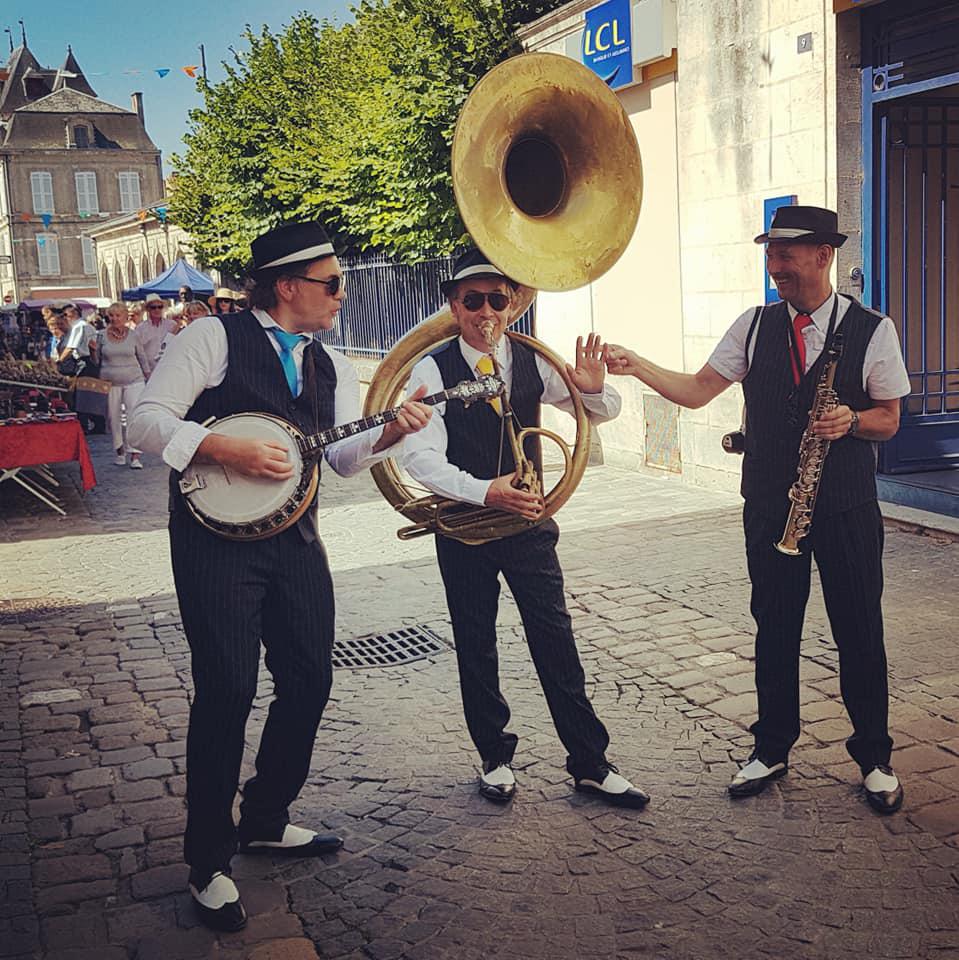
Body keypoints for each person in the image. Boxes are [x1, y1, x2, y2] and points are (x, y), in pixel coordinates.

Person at [128, 221, 432, 932]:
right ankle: (207, 862)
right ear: (288, 286)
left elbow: (345, 459)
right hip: (214, 545)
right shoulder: (213, 337)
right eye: (332, 284)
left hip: (296, 541)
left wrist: (392, 430)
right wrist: (223, 448)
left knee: (309, 679)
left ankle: (265, 817)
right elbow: (144, 421)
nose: (342, 295)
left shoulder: (333, 365)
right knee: (228, 690)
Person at [605, 206, 911, 815]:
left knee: (859, 630)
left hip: (846, 508)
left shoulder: (874, 329)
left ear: (823, 256)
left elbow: (890, 418)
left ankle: (874, 758)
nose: (775, 267)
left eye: (785, 255)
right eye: (770, 255)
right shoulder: (753, 325)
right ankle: (771, 747)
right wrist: (637, 364)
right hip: (772, 505)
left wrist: (852, 420)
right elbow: (697, 390)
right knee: (774, 627)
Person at [400, 248, 649, 810]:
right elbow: (420, 459)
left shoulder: (533, 359)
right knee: (476, 643)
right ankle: (494, 758)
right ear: (454, 306)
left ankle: (591, 763)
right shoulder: (431, 369)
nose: (485, 311)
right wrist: (485, 490)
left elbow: (602, 409)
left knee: (555, 639)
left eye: (496, 299)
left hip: (528, 525)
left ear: (511, 304)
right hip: (463, 527)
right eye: (472, 301)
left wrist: (591, 387)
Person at [90, 302, 149, 468]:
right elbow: (96, 362)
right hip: (110, 382)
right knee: (113, 417)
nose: (115, 318)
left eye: (118, 315)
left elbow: (142, 356)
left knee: (133, 416)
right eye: (112, 315)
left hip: (134, 380)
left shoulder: (133, 335)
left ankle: (135, 455)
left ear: (125, 317)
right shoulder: (100, 335)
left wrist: (148, 374)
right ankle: (120, 452)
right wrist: (92, 351)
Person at [132, 294, 176, 379]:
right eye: (153, 307)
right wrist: (146, 372)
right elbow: (138, 352)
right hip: (148, 372)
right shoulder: (140, 328)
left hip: (169, 369)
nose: (157, 310)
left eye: (160, 307)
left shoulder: (172, 325)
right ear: (148, 309)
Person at [155, 300, 210, 367]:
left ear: (205, 314)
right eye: (189, 315)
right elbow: (160, 355)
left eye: (195, 313)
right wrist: (175, 329)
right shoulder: (183, 332)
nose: (192, 316)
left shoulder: (210, 332)